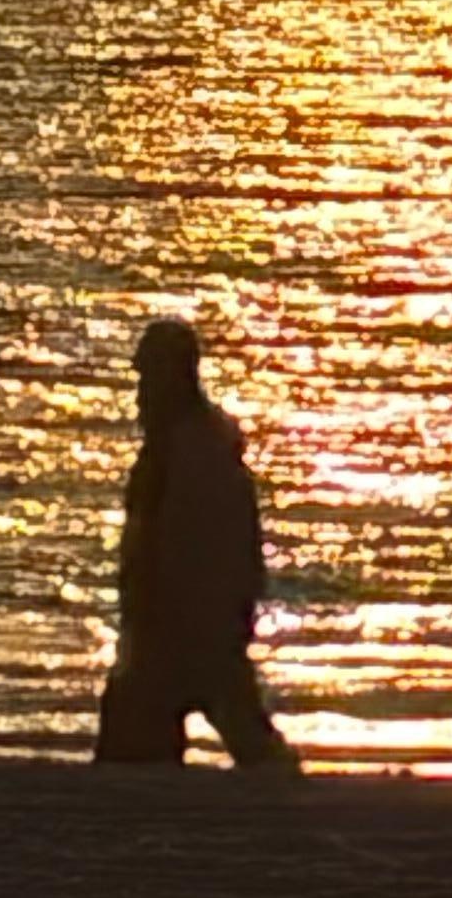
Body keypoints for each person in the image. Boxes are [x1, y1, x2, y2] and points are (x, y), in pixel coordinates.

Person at [91, 316, 302, 770]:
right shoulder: (185, 444)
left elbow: (208, 539)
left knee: (224, 733)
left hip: (183, 624)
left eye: (149, 374)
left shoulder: (194, 450)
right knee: (222, 733)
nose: (141, 389)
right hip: (180, 623)